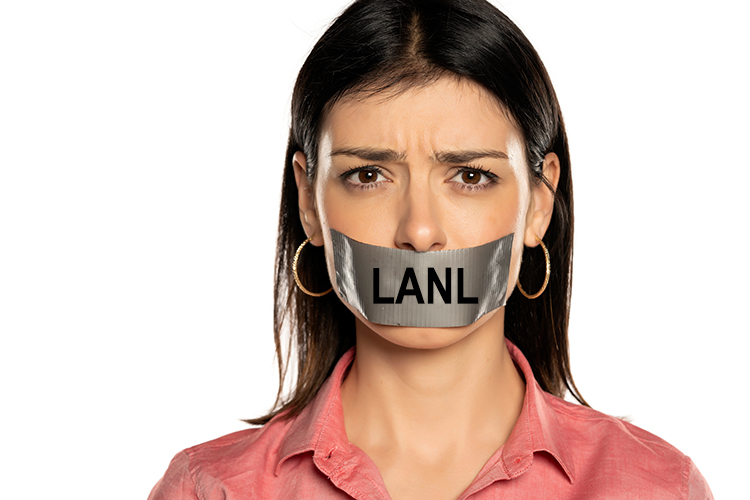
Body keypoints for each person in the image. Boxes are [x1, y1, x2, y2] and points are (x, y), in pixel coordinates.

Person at [148, 0, 713, 498]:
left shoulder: (658, 488)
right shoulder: (209, 490)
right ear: (309, 202)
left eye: (470, 176)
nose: (419, 232)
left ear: (539, 204)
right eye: (368, 175)